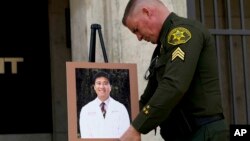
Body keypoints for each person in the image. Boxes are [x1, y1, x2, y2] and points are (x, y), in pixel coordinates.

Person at [120, 0, 229, 141]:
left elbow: (174, 85)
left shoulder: (182, 33)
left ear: (147, 12)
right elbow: (149, 97)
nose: (139, 37)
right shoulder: (162, 48)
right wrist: (121, 119)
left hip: (203, 133)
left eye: (136, 29)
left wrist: (137, 127)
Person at [79, 71, 130, 138]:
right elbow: (85, 136)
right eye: (98, 83)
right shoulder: (85, 109)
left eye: (105, 83)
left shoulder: (121, 108)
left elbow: (125, 135)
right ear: (94, 87)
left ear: (110, 87)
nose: (102, 86)